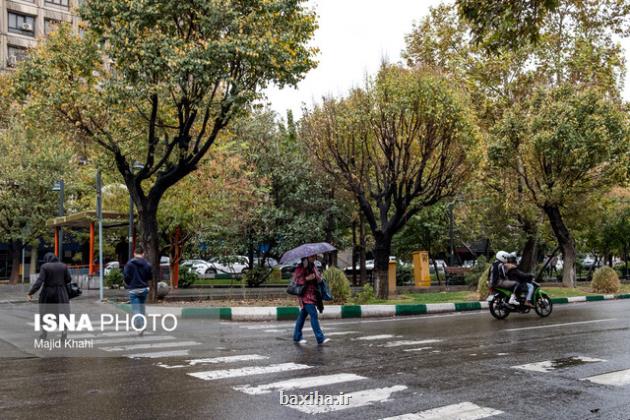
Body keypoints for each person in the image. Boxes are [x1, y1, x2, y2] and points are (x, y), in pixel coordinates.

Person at [26, 252, 72, 340]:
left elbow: (40, 281)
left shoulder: (45, 266)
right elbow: (69, 279)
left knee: (45, 313)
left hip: (47, 293)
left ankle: (44, 334)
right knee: (63, 313)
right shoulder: (63, 266)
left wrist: (31, 293)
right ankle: (64, 334)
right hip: (61, 293)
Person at [292, 255, 330, 346]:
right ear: (306, 257)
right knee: (313, 314)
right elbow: (297, 280)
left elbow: (319, 279)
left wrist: (318, 277)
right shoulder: (300, 267)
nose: (313, 258)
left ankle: (297, 336)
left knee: (302, 316)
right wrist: (307, 278)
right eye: (311, 256)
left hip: (313, 295)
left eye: (314, 256)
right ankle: (320, 338)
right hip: (305, 296)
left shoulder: (313, 266)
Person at [123, 245, 152, 335]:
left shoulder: (129, 264)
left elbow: (126, 277)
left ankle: (140, 327)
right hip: (144, 289)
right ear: (143, 254)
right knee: (142, 308)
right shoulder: (147, 264)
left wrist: (129, 284)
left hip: (133, 289)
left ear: (134, 253)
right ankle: (142, 325)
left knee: (136, 309)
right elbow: (149, 277)